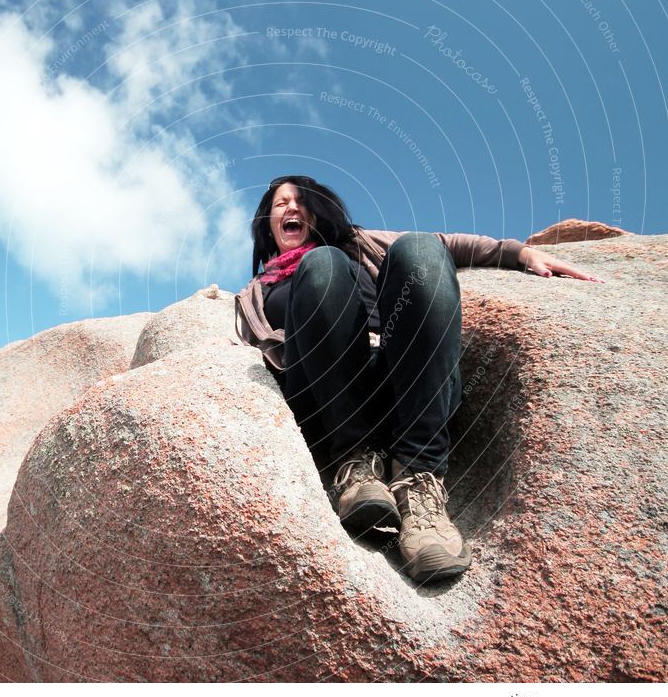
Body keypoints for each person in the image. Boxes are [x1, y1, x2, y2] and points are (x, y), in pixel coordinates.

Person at [234, 175, 602, 584]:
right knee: (320, 265)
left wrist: (517, 253)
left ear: (320, 212)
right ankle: (357, 468)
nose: (290, 208)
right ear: (267, 224)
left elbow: (449, 244)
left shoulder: (362, 244)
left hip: (404, 378)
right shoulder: (256, 293)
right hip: (328, 393)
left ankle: (419, 483)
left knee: (420, 247)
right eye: (280, 203)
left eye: (300, 200)